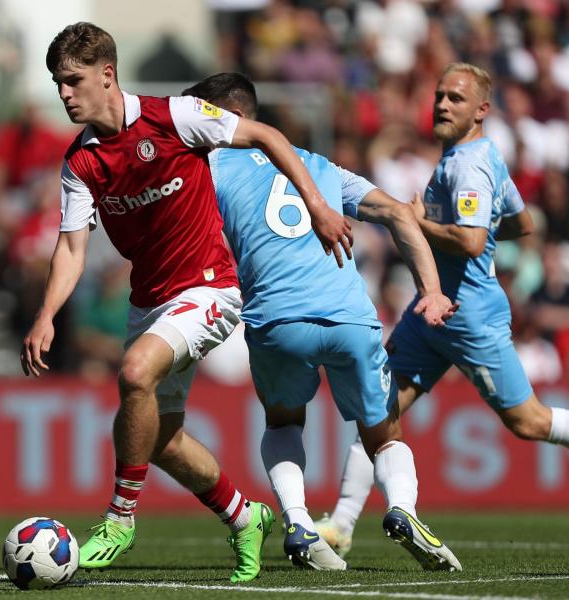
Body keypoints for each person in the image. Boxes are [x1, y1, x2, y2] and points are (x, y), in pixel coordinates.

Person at [20, 22, 352, 582]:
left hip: (209, 289)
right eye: (57, 83)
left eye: (73, 81)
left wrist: (317, 205)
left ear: (107, 75)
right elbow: (72, 250)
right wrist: (46, 314)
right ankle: (245, 517)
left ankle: (121, 518)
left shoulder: (174, 117)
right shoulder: (80, 163)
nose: (64, 94)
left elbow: (267, 136)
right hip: (150, 302)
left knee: (133, 372)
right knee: (161, 439)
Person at [316, 62, 569, 559]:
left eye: (456, 99)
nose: (442, 104)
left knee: (527, 421)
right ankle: (339, 525)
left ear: (483, 110)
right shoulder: (475, 155)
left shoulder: (468, 164)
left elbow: (470, 242)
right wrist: (469, 232)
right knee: (376, 409)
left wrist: (417, 222)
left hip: (468, 314)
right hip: (430, 310)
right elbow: (521, 222)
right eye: (440, 95)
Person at [184, 73, 461, 572]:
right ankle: (402, 509)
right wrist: (434, 291)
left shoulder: (208, 168)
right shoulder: (321, 166)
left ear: (224, 117)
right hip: (350, 318)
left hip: (276, 320)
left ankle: (299, 522)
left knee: (283, 421)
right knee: (384, 435)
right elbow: (400, 213)